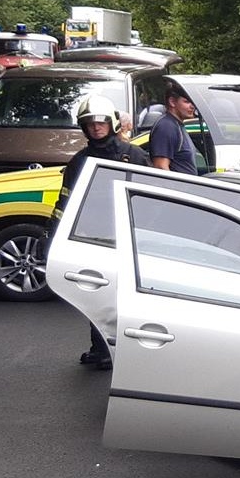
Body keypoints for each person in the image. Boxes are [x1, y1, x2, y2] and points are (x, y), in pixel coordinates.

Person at [52, 94, 150, 370]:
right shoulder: (79, 162)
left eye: (100, 122)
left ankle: (132, 350)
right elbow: (66, 199)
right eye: (89, 123)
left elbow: (154, 198)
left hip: (129, 236)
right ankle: (102, 348)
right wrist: (54, 232)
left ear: (111, 123)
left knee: (129, 296)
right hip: (92, 237)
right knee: (95, 296)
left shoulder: (134, 156)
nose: (95, 127)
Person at [149, 80, 199, 174]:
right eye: (187, 101)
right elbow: (160, 167)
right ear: (172, 102)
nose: (192, 106)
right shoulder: (166, 126)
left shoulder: (176, 125)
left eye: (193, 102)